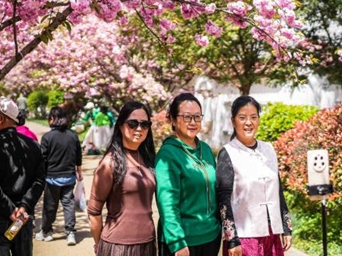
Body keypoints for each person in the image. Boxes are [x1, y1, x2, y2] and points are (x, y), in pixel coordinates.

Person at [216, 96, 292, 256]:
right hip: (244, 237)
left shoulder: (268, 149)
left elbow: (278, 190)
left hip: (272, 234)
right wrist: (232, 239)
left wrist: (286, 227)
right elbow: (223, 200)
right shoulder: (228, 153)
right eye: (242, 118)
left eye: (253, 117)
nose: (248, 122)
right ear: (233, 121)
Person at [87, 101, 157, 256]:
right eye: (133, 123)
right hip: (118, 246)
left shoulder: (148, 158)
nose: (139, 129)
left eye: (145, 124)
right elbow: (93, 212)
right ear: (120, 125)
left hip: (148, 243)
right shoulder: (109, 164)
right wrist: (99, 246)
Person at [156, 92, 220, 256]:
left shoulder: (205, 150)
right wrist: (177, 242)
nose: (193, 122)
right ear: (174, 120)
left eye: (197, 117)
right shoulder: (167, 154)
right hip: (183, 241)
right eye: (186, 117)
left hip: (210, 237)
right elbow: (167, 202)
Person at [0, 98, 45, 256]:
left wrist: (10, 210)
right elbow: (39, 181)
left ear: (1, 119)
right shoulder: (34, 146)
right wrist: (24, 206)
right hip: (22, 219)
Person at [37, 106, 83, 246]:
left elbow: (42, 159)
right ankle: (70, 233)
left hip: (52, 178)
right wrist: (79, 171)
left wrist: (39, 176)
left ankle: (47, 232)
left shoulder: (47, 137)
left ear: (52, 119)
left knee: (50, 206)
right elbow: (78, 155)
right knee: (68, 204)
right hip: (69, 177)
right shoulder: (73, 135)